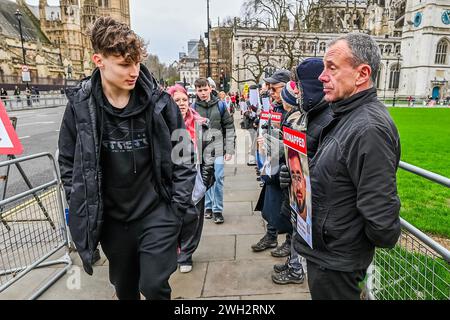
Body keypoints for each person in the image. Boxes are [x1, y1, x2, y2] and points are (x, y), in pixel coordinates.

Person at [58, 17, 197, 300]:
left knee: (154, 286)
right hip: (113, 221)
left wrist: (177, 208)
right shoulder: (80, 107)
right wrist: (83, 202)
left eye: (136, 62)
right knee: (126, 290)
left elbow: (183, 155)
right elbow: (69, 164)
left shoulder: (160, 101)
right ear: (99, 60)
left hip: (157, 213)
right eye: (124, 64)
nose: (134, 71)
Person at [293, 33, 401, 300]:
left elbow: (382, 224)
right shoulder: (344, 114)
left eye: (332, 67)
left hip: (338, 261)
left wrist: (345, 238)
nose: (321, 77)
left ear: (362, 74)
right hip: (327, 253)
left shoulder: (369, 128)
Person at [167, 84, 215, 273]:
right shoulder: (163, 123)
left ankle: (186, 254)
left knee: (193, 219)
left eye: (184, 100)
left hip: (196, 180)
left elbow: (209, 154)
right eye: (176, 100)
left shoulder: (201, 123)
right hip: (173, 181)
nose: (181, 104)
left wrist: (204, 180)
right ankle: (173, 250)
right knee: (174, 218)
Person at [252, 69, 292, 259]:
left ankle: (289, 243)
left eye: (274, 88)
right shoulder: (275, 107)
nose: (270, 92)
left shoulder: (292, 109)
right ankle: (271, 235)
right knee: (270, 203)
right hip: (271, 163)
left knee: (286, 206)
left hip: (285, 166)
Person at [192, 78, 236, 224]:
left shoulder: (221, 105)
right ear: (196, 91)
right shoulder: (192, 107)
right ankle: (208, 206)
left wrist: (229, 148)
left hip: (217, 148)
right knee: (206, 180)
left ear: (210, 89)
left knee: (218, 178)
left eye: (205, 89)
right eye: (199, 90)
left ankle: (218, 209)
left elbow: (229, 126)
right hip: (201, 150)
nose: (203, 93)